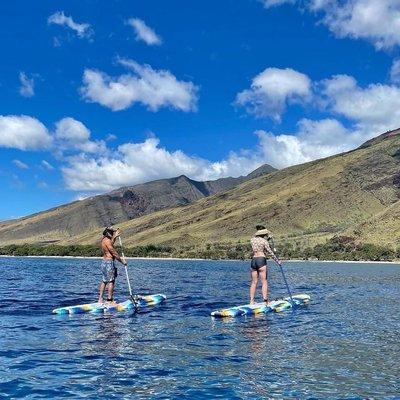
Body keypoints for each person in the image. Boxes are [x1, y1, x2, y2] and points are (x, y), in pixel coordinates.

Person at [249, 225, 281, 305]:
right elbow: (270, 252)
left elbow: (257, 239)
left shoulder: (252, 240)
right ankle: (265, 301)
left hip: (254, 260)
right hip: (261, 260)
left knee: (254, 282)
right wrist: (278, 261)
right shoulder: (264, 242)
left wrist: (268, 238)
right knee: (264, 282)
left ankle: (251, 301)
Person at [98, 227, 127, 305]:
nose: (112, 233)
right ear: (107, 233)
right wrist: (122, 261)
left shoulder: (104, 240)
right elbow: (114, 253)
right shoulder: (107, 241)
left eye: (112, 232)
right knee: (111, 281)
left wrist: (115, 237)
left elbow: (111, 243)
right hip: (109, 263)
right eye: (111, 233)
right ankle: (110, 300)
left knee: (104, 280)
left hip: (104, 262)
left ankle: (100, 299)